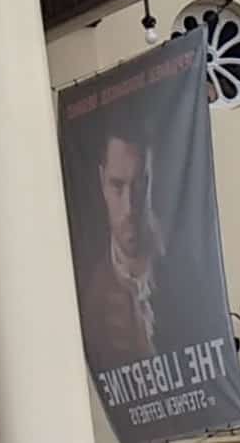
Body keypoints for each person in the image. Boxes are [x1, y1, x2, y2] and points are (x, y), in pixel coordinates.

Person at [78, 130, 165, 373]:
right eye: (117, 186)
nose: (128, 207)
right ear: (101, 180)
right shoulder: (90, 294)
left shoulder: (185, 269)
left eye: (138, 186)